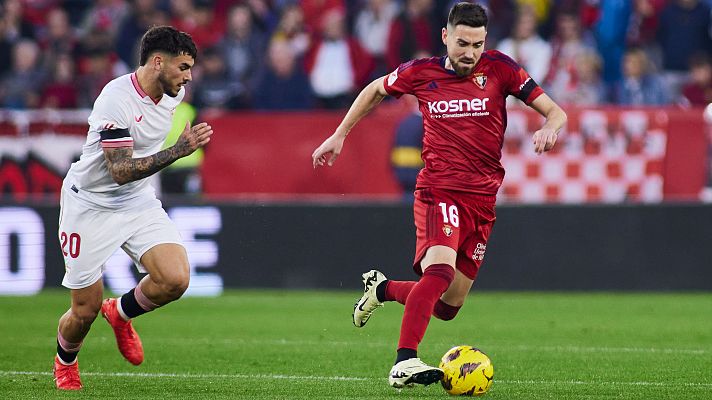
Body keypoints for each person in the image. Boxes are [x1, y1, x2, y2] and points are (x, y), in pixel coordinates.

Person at [312, 2, 566, 389]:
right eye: (463, 43)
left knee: (448, 307)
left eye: (478, 44)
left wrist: (550, 126)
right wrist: (340, 133)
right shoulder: (421, 72)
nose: (470, 53)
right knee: (439, 273)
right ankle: (404, 361)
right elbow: (375, 89)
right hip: (438, 190)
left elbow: (557, 111)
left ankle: (381, 289)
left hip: (482, 200)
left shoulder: (501, 68)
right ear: (446, 36)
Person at [52, 26, 213, 390]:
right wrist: (178, 151)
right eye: (183, 67)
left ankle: (121, 313)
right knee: (83, 311)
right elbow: (120, 170)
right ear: (158, 62)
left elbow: (130, 179)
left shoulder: (174, 93)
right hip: (89, 204)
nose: (188, 77)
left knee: (175, 279)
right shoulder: (116, 98)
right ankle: (65, 360)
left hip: (136, 200)